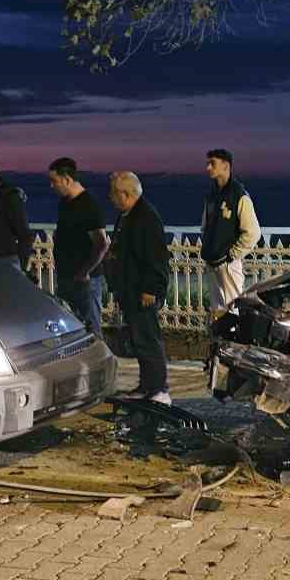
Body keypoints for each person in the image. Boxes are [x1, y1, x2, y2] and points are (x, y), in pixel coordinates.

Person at [106, 171, 171, 405]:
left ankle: (158, 389)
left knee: (147, 339)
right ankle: (147, 386)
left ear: (125, 194)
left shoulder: (145, 217)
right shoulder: (129, 215)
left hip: (143, 291)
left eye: (113, 193)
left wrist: (151, 289)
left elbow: (156, 257)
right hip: (131, 289)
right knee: (139, 339)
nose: (110, 197)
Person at [47, 158, 110, 336]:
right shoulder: (65, 203)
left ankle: (98, 361)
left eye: (54, 181)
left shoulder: (89, 205)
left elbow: (101, 243)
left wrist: (85, 272)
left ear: (67, 179)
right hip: (67, 275)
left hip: (84, 280)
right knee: (69, 326)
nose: (52, 186)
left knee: (91, 327)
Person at [200, 148, 260, 317]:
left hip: (227, 264)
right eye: (208, 163)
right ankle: (221, 343)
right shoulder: (211, 195)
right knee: (218, 311)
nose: (208, 168)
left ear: (226, 166)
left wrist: (232, 255)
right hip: (212, 262)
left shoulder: (239, 195)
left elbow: (253, 233)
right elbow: (205, 226)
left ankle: (233, 343)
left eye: (212, 163)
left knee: (232, 310)